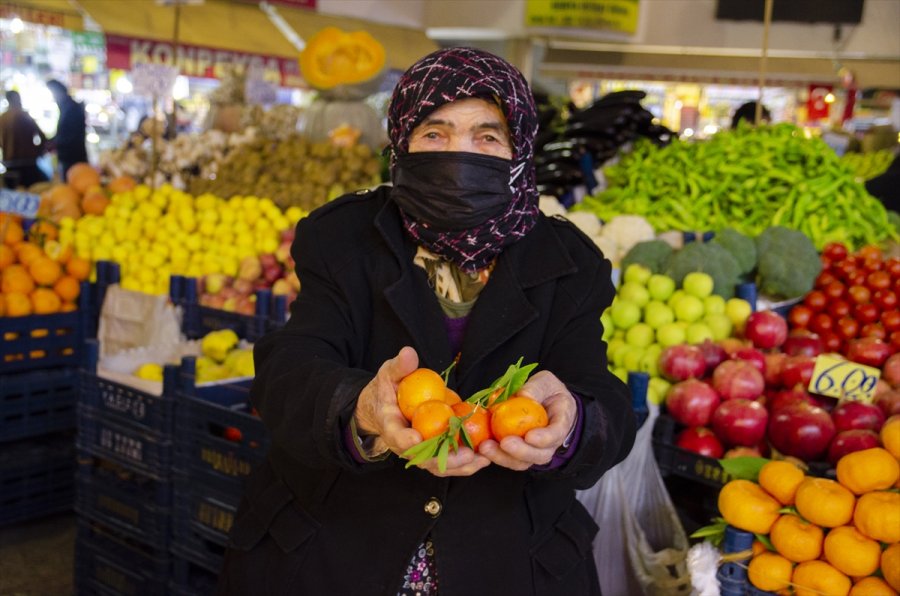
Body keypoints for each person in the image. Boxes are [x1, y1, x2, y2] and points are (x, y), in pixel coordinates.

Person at [216, 47, 636, 596]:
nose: (460, 155)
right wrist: (359, 409)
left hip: (505, 561)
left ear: (519, 151)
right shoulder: (343, 238)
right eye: (435, 134)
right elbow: (289, 367)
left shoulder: (568, 264)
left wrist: (572, 423)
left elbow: (604, 398)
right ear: (401, 141)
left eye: (487, 137)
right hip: (337, 552)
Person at [0, 90, 49, 189]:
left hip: (10, 162)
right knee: (33, 191)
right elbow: (42, 136)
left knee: (14, 194)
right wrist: (38, 151)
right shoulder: (25, 116)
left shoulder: (3, 119)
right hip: (29, 162)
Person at [46, 79, 88, 180]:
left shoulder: (72, 108)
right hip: (69, 157)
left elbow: (71, 136)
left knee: (75, 183)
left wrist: (55, 143)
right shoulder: (66, 107)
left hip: (73, 158)